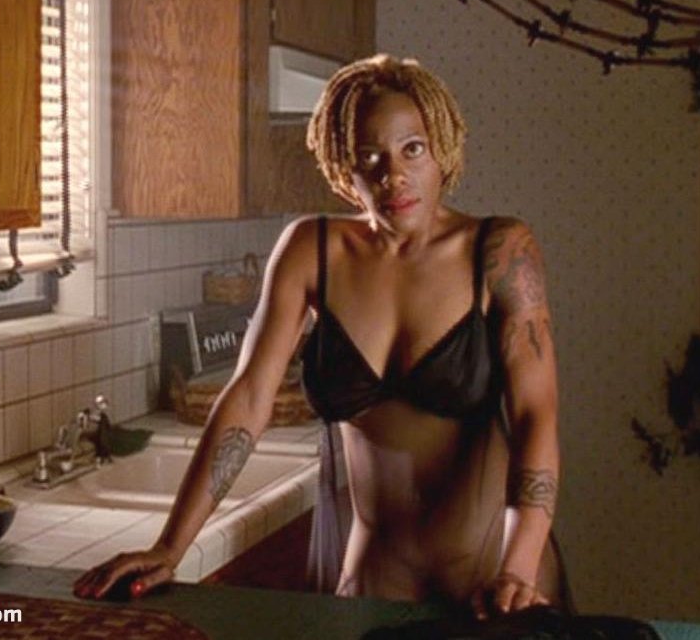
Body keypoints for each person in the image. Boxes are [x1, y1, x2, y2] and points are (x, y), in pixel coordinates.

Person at [74, 54, 570, 618]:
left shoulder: (500, 251)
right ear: (342, 165)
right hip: (375, 577)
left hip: (494, 579)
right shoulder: (311, 250)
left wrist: (517, 568)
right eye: (369, 157)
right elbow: (249, 399)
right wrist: (171, 547)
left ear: (444, 147)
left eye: (412, 149)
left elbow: (536, 414)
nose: (392, 176)